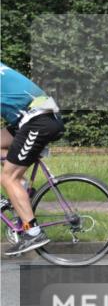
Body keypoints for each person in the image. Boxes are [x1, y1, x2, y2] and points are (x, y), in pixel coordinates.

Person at [0, 61, 65, 255]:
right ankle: (18, 191)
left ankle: (33, 232)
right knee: (12, 175)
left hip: (37, 120)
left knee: (7, 177)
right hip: (31, 119)